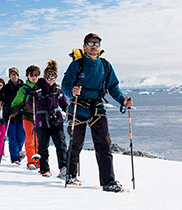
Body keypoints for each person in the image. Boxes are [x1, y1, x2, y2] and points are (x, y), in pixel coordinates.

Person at [61, 33, 133, 192]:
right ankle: (70, 175)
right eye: (90, 43)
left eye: (97, 43)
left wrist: (122, 100)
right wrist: (71, 91)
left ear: (99, 47)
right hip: (78, 106)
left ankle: (108, 182)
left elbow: (113, 87)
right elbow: (65, 85)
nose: (94, 45)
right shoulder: (77, 65)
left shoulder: (105, 66)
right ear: (84, 46)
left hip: (97, 108)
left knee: (104, 145)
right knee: (75, 143)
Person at [27, 60, 68, 177]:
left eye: (53, 78)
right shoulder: (37, 89)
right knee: (43, 146)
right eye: (49, 78)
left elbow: (63, 104)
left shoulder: (57, 90)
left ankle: (63, 166)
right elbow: (30, 105)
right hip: (41, 120)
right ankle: (44, 169)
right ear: (45, 77)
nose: (51, 81)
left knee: (60, 144)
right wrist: (31, 95)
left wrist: (69, 111)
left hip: (56, 119)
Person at [11, 65, 40, 170]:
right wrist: (14, 109)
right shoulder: (24, 88)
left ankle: (40, 162)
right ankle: (31, 161)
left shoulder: (41, 87)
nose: (34, 77)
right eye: (31, 75)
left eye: (36, 75)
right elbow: (17, 101)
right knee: (29, 139)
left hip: (40, 116)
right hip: (27, 116)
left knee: (39, 140)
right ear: (27, 76)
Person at [0, 67, 26, 165]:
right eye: (12, 75)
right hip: (9, 115)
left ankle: (18, 152)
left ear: (18, 75)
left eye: (15, 74)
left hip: (21, 115)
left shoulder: (23, 86)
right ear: (9, 76)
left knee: (21, 137)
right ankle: (14, 158)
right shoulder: (5, 87)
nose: (14, 76)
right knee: (12, 137)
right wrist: (1, 97)